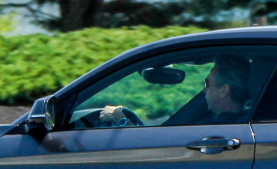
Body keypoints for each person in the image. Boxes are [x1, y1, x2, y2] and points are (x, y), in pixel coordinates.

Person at [100, 54, 251, 126]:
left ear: (224, 90)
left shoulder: (216, 128)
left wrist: (120, 118)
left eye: (207, 84)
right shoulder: (240, 122)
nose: (204, 91)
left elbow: (158, 147)